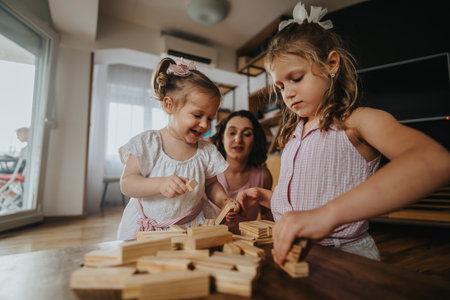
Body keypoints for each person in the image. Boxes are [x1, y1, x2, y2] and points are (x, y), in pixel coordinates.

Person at [236, 2, 450, 263]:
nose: (287, 93)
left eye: (296, 77)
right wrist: (271, 198)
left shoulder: (357, 122)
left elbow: (433, 161)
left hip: (346, 256)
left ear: (332, 64)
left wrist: (328, 215)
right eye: (280, 86)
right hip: (294, 254)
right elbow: (310, 196)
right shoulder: (293, 134)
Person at [116, 57, 237, 240]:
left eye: (210, 118)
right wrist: (160, 184)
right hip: (149, 227)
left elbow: (211, 184)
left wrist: (223, 200)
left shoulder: (206, 151)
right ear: (169, 105)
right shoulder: (148, 143)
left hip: (191, 225)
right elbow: (127, 183)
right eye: (197, 115)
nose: (205, 124)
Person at [208, 110, 273, 231]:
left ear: (255, 140)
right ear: (222, 138)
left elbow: (267, 217)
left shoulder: (263, 175)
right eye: (232, 133)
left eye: (247, 134)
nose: (238, 140)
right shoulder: (209, 172)